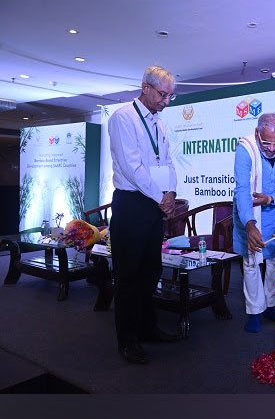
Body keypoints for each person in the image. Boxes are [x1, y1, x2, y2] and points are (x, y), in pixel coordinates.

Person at [108, 65, 180, 364]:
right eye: (162, 94)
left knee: (151, 271)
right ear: (145, 87)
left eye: (170, 96)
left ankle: (148, 328)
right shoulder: (123, 118)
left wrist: (171, 191)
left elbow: (168, 161)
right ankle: (127, 340)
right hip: (131, 204)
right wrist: (160, 196)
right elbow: (131, 166)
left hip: (154, 204)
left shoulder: (159, 124)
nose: (166, 101)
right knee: (128, 276)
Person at [233, 113, 275, 333]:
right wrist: (250, 224)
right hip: (250, 211)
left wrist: (272, 198)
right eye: (267, 142)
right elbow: (242, 189)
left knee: (274, 261)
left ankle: (272, 305)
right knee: (252, 262)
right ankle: (254, 311)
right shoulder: (245, 148)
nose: (272, 148)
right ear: (257, 133)